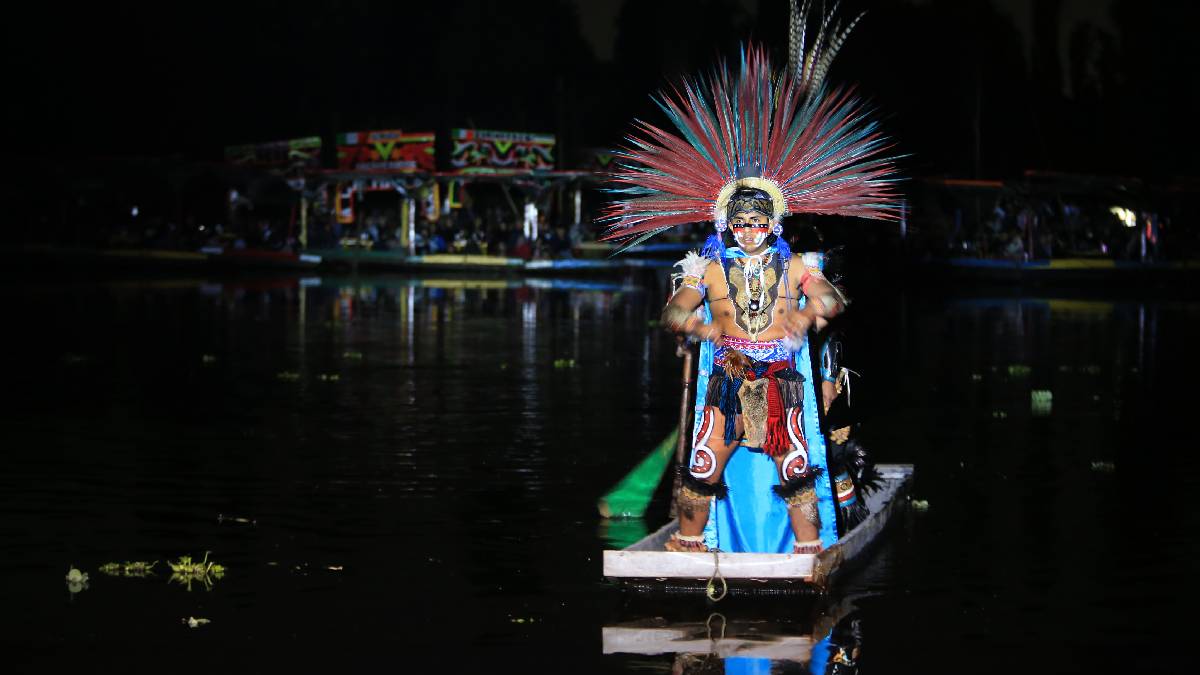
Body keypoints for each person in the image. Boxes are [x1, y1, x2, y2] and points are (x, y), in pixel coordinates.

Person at [599, 2, 900, 554]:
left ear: (775, 221)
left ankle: (813, 551)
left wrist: (811, 311)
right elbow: (674, 312)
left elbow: (832, 297)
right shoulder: (708, 264)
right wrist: (696, 327)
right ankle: (689, 545)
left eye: (760, 221)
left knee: (800, 462)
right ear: (726, 223)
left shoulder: (795, 261)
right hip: (730, 377)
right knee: (705, 460)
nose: (751, 230)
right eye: (741, 222)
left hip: (784, 373)